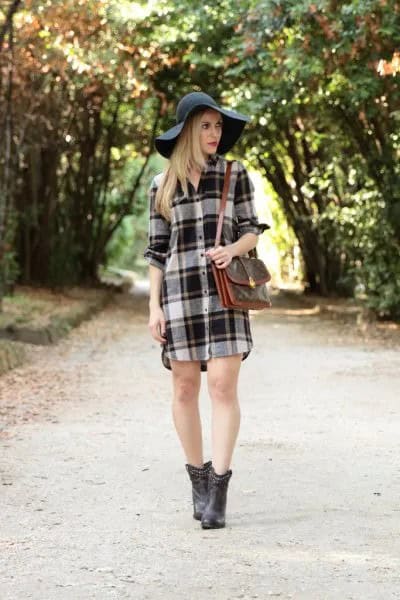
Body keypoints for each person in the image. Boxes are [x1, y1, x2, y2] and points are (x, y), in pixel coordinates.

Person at [143, 91, 268, 529]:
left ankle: (219, 487)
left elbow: (253, 231)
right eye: (206, 126)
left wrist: (230, 248)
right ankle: (196, 478)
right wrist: (153, 307)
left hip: (223, 295)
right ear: (187, 132)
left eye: (218, 126)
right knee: (183, 390)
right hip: (178, 296)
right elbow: (157, 251)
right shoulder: (161, 187)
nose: (215, 134)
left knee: (221, 387)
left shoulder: (236, 175)